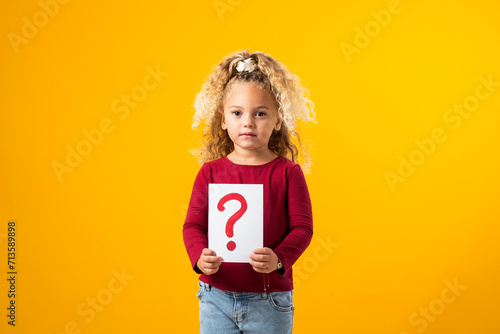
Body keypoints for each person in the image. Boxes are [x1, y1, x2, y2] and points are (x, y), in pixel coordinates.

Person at [183, 49, 316, 334]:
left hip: (269, 300)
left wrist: (279, 258)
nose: (248, 122)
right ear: (223, 119)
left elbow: (302, 228)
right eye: (237, 113)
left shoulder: (288, 173)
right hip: (214, 297)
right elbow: (193, 224)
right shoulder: (209, 173)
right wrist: (198, 256)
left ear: (278, 121)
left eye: (260, 113)